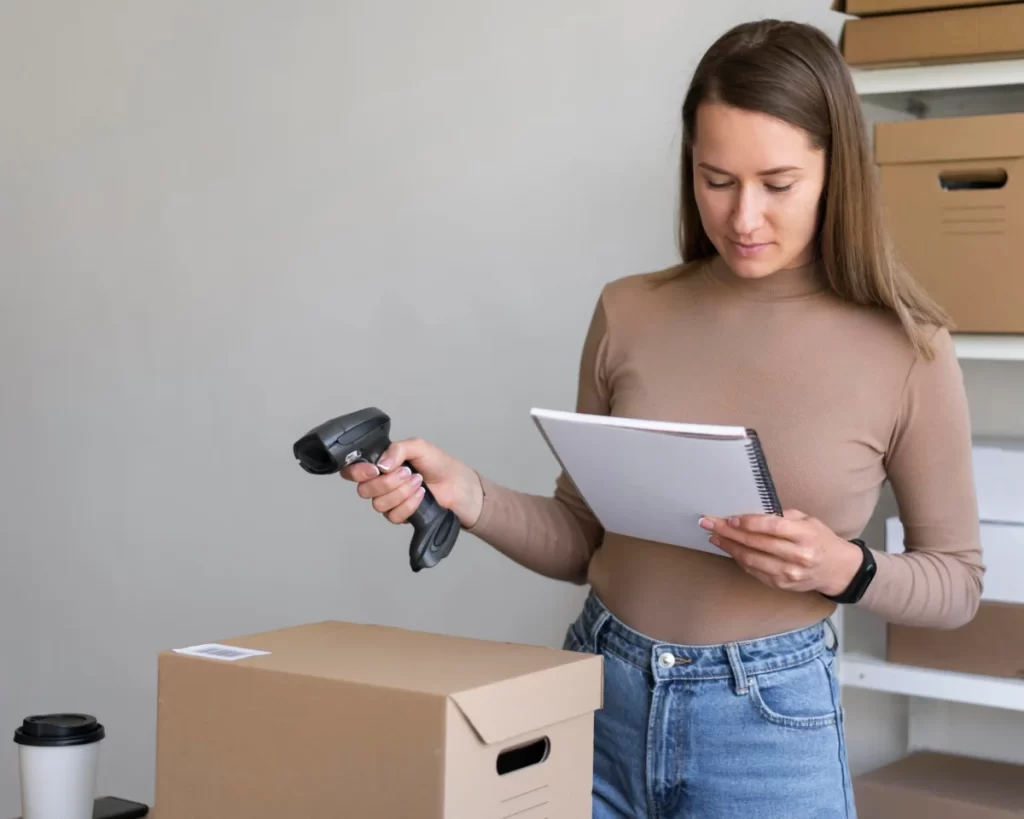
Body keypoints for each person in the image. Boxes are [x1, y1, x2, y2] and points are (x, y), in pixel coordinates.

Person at [341, 18, 983, 819]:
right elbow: (584, 539)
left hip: (768, 732)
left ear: (835, 172)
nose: (743, 217)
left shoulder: (908, 349)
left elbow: (957, 583)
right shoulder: (630, 311)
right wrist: (468, 494)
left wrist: (843, 568)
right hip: (599, 699)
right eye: (718, 179)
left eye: (778, 184)